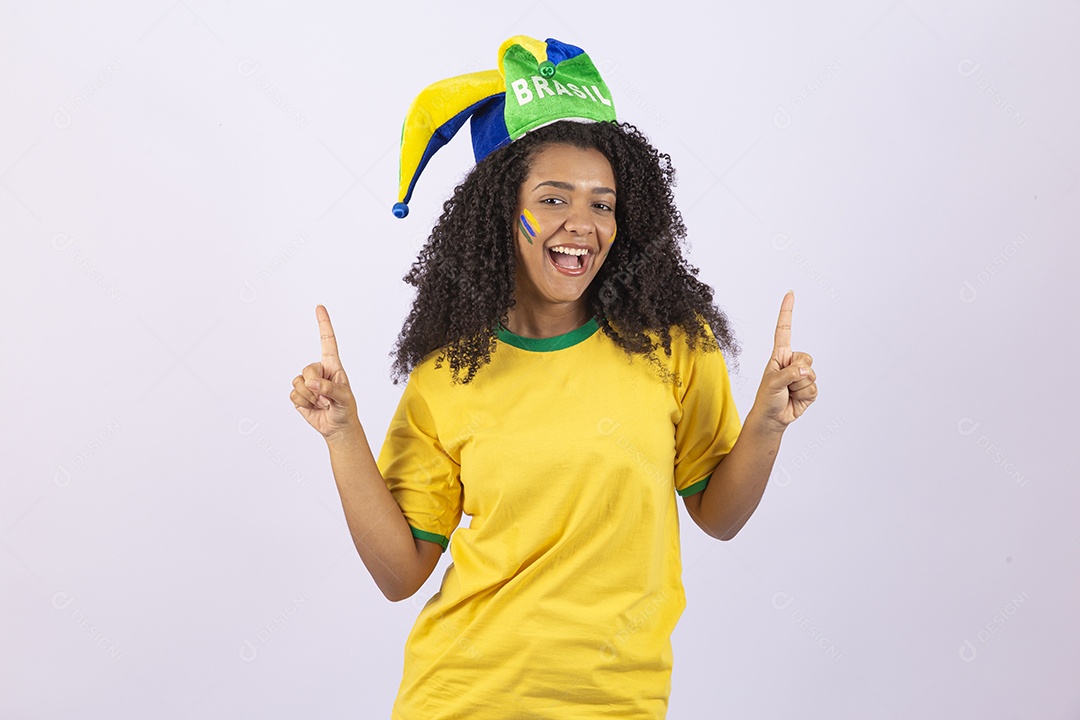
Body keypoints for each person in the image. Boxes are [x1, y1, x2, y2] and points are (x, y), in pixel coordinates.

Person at [289, 36, 817, 719]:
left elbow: (718, 515)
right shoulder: (449, 373)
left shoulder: (675, 345)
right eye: (554, 198)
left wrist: (768, 424)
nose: (582, 225)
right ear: (500, 213)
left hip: (619, 702)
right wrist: (342, 433)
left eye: (603, 204)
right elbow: (400, 574)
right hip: (459, 698)